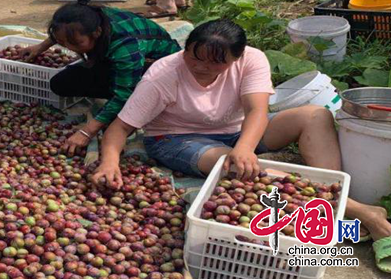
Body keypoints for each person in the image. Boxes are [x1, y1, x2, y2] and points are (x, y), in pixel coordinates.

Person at [92, 20, 391, 253]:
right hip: (177, 139)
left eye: (215, 63)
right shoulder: (163, 75)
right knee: (232, 164)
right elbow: (120, 127)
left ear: (237, 58)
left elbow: (257, 110)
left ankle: (332, 199)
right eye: (194, 57)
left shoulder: (253, 60)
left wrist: (246, 147)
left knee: (314, 114)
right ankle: (358, 210)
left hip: (237, 130)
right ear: (185, 48)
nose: (201, 67)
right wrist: (108, 162)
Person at [21, 0, 180, 156]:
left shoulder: (125, 46)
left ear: (97, 32)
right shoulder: (91, 15)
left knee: (119, 106)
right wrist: (40, 47)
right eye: (63, 43)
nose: (69, 48)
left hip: (159, 70)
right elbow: (63, 32)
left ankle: (131, 113)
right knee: (61, 83)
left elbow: (123, 95)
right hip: (124, 59)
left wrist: (87, 131)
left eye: (75, 43)